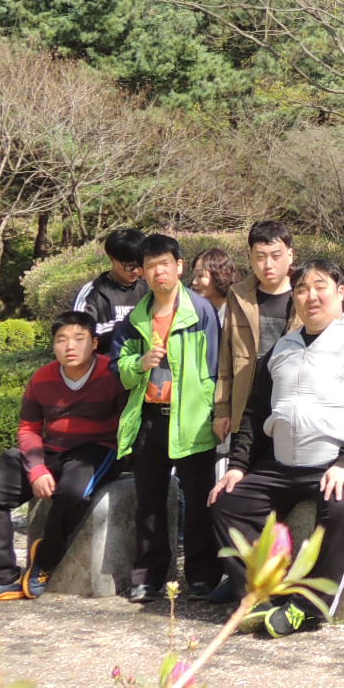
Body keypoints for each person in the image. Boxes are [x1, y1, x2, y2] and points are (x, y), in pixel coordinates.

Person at [210, 256, 344, 636]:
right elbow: (255, 412)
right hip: (283, 464)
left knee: (341, 507)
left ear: (340, 292)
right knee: (228, 502)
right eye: (301, 289)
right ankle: (260, 594)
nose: (310, 296)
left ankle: (308, 607)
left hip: (342, 461)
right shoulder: (282, 348)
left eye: (319, 287)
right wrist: (238, 466)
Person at [0, 311, 130, 598]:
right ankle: (3, 575)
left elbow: (130, 422)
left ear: (94, 343)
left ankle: (43, 561)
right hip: (52, 450)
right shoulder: (42, 378)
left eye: (79, 339)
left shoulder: (113, 374)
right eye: (61, 340)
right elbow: (29, 428)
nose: (70, 346)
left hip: (97, 450)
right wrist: (37, 469)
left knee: (73, 492)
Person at [114, 233, 223, 604]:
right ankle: (148, 577)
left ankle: (203, 576)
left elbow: (215, 366)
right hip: (150, 419)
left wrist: (216, 412)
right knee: (149, 502)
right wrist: (139, 363)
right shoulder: (135, 319)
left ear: (179, 266)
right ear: (143, 272)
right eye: (151, 266)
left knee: (198, 502)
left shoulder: (201, 312)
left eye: (165, 263)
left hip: (193, 418)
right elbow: (120, 371)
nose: (158, 271)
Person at [209, 221, 300, 601]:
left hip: (291, 405)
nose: (268, 264)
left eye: (276, 256)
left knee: (280, 489)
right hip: (248, 404)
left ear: (290, 255)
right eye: (260, 257)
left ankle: (274, 574)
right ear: (250, 257)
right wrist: (222, 407)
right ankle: (241, 577)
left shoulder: (305, 292)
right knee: (239, 486)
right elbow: (226, 355)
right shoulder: (239, 294)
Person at [72, 228, 150, 356]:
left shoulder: (149, 289)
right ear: (112, 258)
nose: (136, 271)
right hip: (106, 363)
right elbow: (78, 334)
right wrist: (127, 325)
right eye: (129, 265)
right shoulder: (93, 292)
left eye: (140, 265)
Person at [191, 247, 244, 313]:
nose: (194, 282)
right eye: (194, 276)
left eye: (200, 275)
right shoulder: (194, 312)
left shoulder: (239, 311)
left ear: (220, 275)